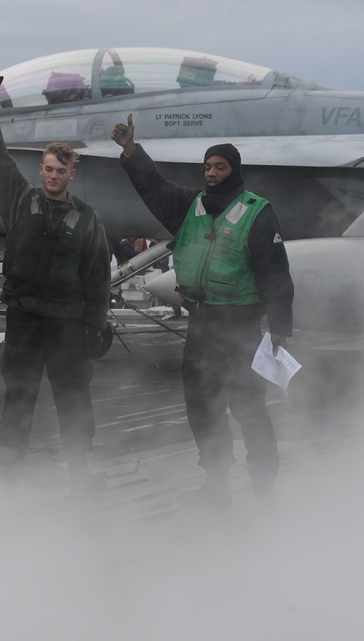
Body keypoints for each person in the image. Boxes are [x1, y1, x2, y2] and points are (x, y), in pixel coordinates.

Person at [111, 114, 294, 508]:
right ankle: (217, 483)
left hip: (241, 327)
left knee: (249, 408)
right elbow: (153, 186)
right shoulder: (187, 205)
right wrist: (130, 150)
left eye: (219, 167)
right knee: (203, 407)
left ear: (234, 171)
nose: (211, 173)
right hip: (202, 325)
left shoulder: (257, 213)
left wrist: (279, 326)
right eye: (207, 167)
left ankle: (264, 487)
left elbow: (275, 272)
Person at [0, 76, 111, 488]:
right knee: (19, 393)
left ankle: (79, 468)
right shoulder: (21, 199)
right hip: (25, 318)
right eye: (48, 169)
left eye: (61, 171)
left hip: (68, 322)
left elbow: (98, 275)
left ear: (72, 174)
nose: (53, 176)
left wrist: (97, 324)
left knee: (72, 396)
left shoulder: (87, 217)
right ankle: (8, 470)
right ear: (41, 170)